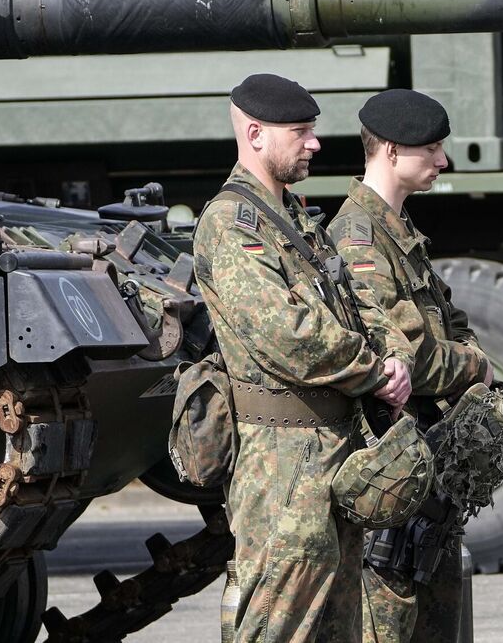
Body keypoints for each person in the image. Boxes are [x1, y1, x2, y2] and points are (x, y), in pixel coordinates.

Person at [199, 73, 414, 642]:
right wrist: (372, 372)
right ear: (255, 134)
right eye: (301, 132)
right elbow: (288, 333)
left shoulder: (296, 218)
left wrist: (394, 355)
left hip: (334, 446)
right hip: (281, 459)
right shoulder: (229, 225)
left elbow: (359, 298)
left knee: (339, 625)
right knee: (276, 623)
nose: (315, 144)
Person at [328, 89, 492, 641]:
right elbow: (409, 358)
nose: (443, 162)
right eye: (433, 150)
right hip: (394, 454)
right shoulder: (359, 238)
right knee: (390, 614)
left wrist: (467, 355)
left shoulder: (398, 231)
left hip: (425, 457)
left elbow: (451, 322)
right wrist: (474, 368)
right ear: (393, 151)